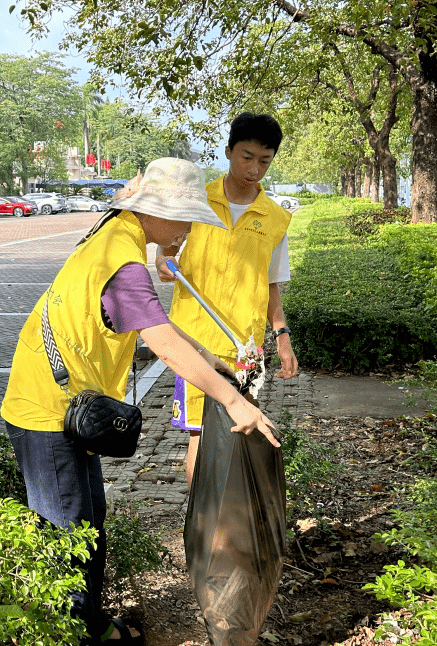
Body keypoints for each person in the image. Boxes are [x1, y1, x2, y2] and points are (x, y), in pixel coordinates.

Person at [0, 157, 280, 646]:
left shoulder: (119, 235)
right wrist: (234, 403)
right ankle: (75, 633)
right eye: (188, 219)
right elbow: (161, 341)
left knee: (88, 522)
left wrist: (207, 358)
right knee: (68, 534)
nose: (191, 231)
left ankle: (92, 622)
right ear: (158, 211)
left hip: (72, 405)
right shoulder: (121, 259)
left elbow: (153, 328)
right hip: (46, 410)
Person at [155, 112, 298, 484]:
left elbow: (271, 285)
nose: (254, 169)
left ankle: (229, 524)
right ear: (228, 151)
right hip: (195, 344)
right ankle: (202, 529)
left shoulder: (276, 218)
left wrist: (282, 337)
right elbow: (165, 246)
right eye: (246, 157)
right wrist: (162, 259)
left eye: (264, 161)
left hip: (244, 348)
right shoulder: (197, 201)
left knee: (238, 431)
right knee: (200, 438)